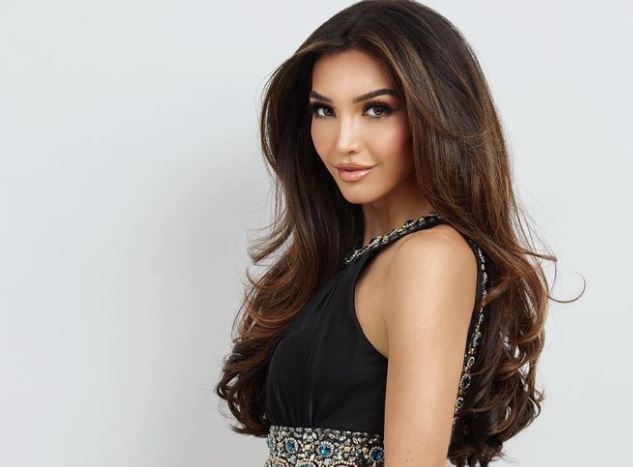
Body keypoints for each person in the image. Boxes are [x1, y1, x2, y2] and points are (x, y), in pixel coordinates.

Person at [215, 1, 582, 465]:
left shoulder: (429, 257)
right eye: (324, 111)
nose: (343, 142)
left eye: (376, 109)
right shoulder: (346, 258)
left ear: (435, 113)